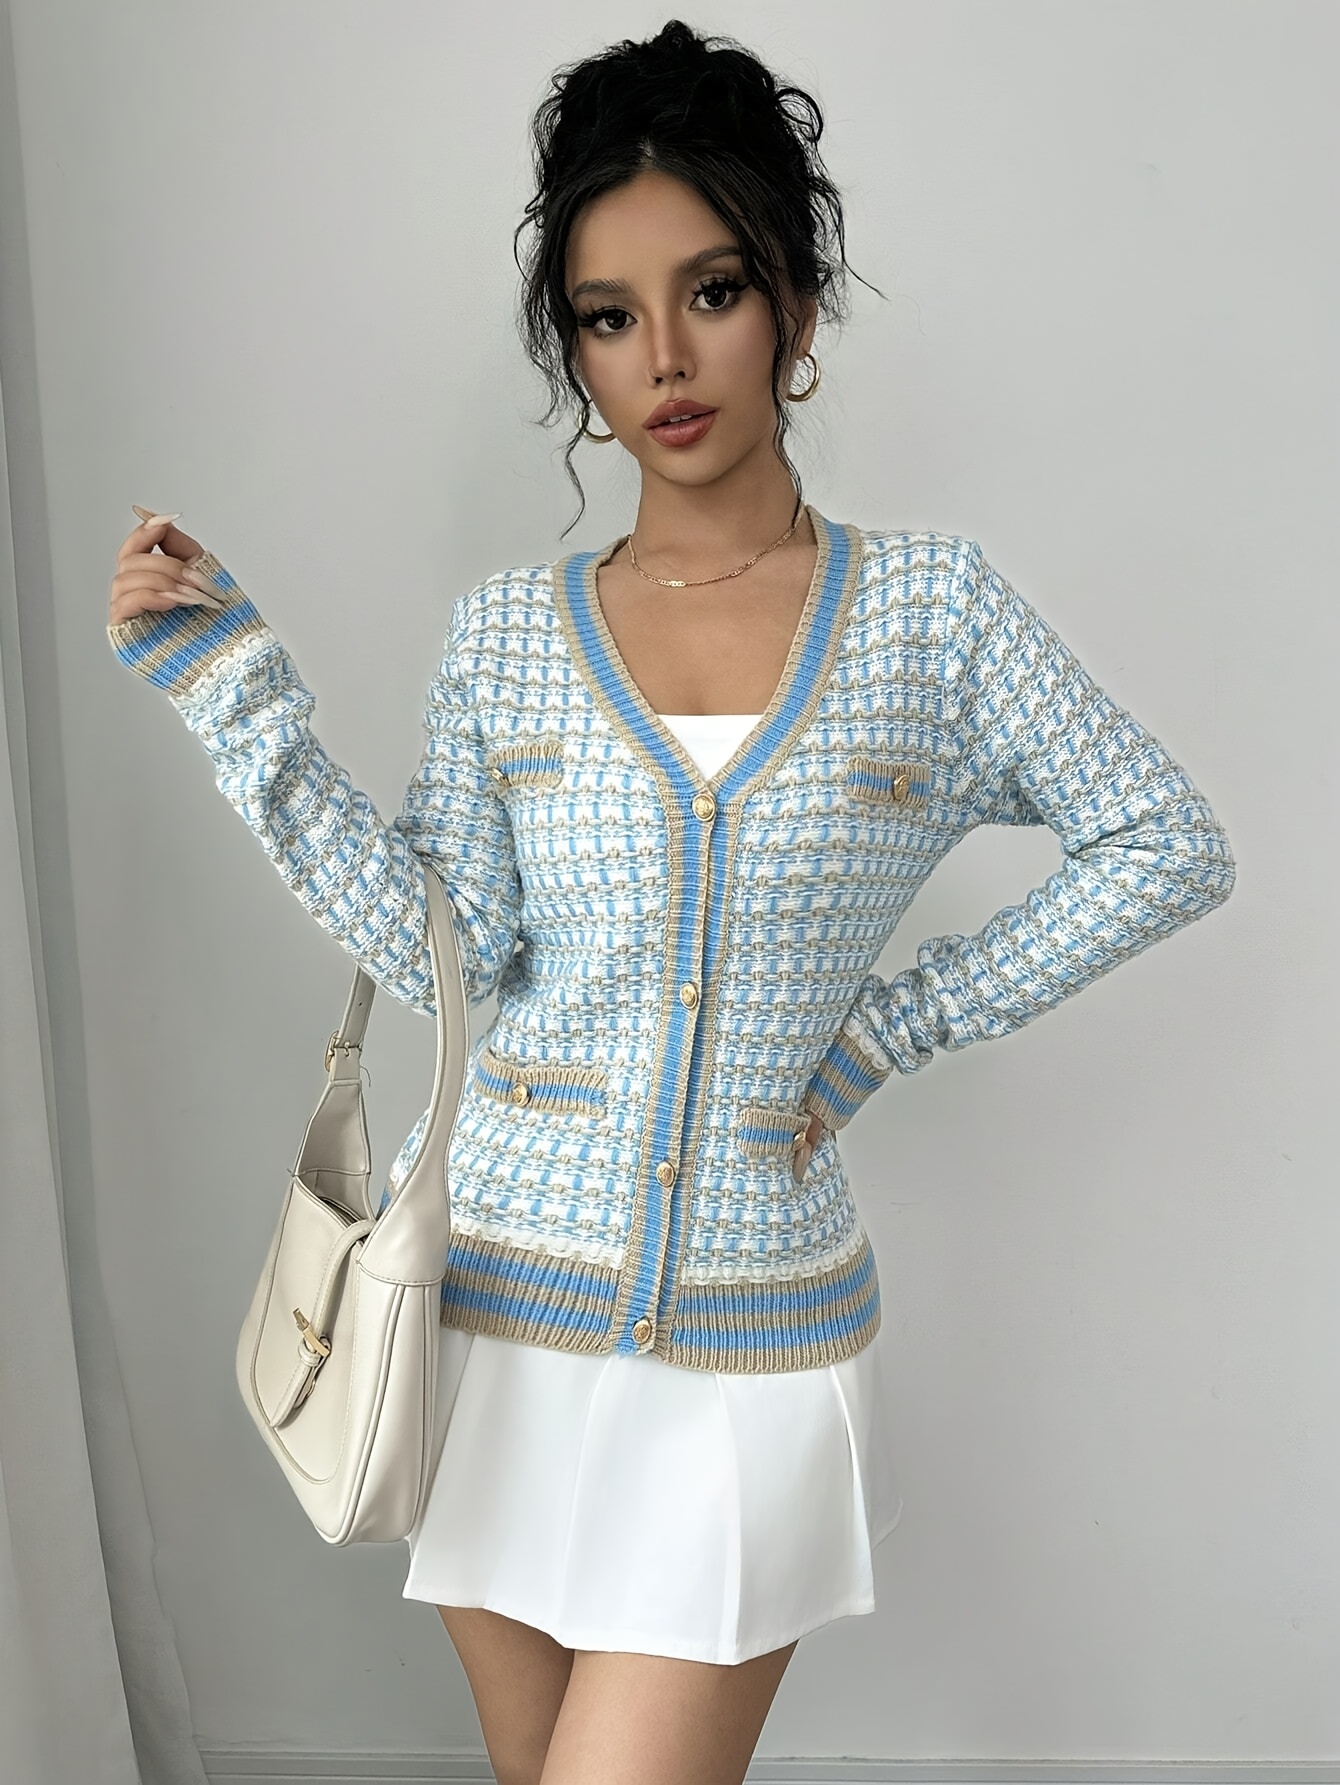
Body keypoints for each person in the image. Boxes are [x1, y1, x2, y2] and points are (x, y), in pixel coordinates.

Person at [104, 20, 1236, 1785]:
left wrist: (885, 1033)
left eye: (711, 291)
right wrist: (234, 694)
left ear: (796, 301)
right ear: (574, 351)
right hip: (488, 1319)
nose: (665, 358)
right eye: (608, 316)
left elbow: (1165, 837)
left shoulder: (933, 617)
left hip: (747, 1349)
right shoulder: (508, 635)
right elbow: (443, 953)